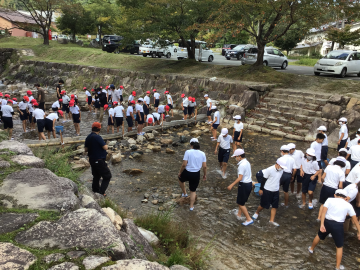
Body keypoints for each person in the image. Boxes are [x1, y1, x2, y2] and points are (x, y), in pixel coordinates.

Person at [308, 189, 360, 270]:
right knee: (339, 247)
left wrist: (321, 224)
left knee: (319, 235)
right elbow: (356, 221)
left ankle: (311, 249)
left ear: (335, 195)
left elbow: (323, 212)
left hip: (327, 223)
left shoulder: (330, 199)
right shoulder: (348, 205)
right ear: (345, 197)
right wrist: (359, 232)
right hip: (338, 226)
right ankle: (337, 267)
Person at [252, 157, 288, 226]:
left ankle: (271, 221)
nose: (282, 168)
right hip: (267, 190)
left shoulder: (281, 170)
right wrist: (261, 189)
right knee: (263, 205)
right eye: (282, 167)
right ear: (277, 164)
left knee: (275, 206)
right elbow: (263, 180)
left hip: (276, 190)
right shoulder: (269, 170)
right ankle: (257, 212)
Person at [178, 138, 207, 211]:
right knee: (193, 191)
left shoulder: (188, 152)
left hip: (187, 172)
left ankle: (184, 193)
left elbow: (184, 165)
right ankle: (191, 207)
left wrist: (180, 172)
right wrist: (204, 175)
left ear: (191, 145)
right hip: (196, 174)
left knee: (180, 179)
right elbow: (204, 166)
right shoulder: (202, 153)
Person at [227, 148, 253, 226]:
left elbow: (240, 178)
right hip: (249, 183)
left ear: (239, 156)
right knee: (241, 201)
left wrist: (231, 185)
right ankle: (239, 214)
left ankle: (248, 219)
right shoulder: (247, 162)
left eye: (235, 157)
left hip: (244, 185)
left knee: (240, 203)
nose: (235, 158)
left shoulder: (241, 165)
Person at [85, 122, 112, 196]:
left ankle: (95, 191)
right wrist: (106, 143)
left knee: (96, 176)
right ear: (99, 129)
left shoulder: (88, 137)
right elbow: (105, 147)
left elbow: (86, 149)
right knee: (107, 176)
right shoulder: (97, 137)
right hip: (99, 160)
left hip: (92, 160)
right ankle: (101, 192)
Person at [317, 157, 346, 221]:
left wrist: (323, 183)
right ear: (343, 164)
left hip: (325, 187)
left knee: (323, 203)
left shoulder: (329, 167)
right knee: (330, 205)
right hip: (333, 189)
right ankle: (325, 218)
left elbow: (322, 177)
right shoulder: (341, 172)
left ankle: (319, 218)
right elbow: (340, 186)